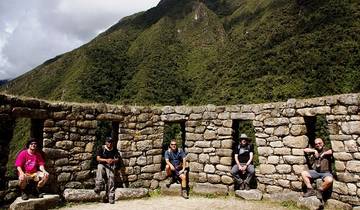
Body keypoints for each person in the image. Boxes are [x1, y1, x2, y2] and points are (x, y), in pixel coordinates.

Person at [94, 137, 120, 204]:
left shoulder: (114, 149)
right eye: (108, 142)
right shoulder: (102, 148)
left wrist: (113, 160)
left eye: (111, 142)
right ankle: (98, 185)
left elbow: (117, 159)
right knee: (99, 167)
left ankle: (111, 195)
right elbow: (98, 158)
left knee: (111, 176)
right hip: (103, 165)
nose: (110, 143)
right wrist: (106, 160)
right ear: (106, 142)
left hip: (110, 165)